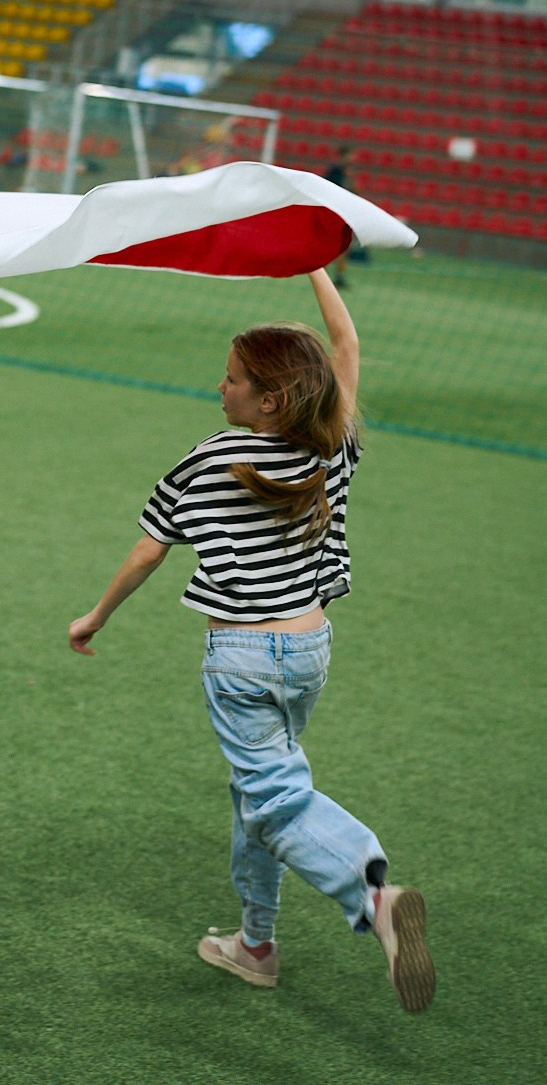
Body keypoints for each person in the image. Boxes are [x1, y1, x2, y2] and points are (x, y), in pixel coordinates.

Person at [65, 269, 434, 1014]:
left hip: (239, 660)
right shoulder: (332, 450)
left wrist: (94, 616)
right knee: (254, 796)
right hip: (310, 651)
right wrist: (313, 263)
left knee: (274, 799)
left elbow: (147, 551)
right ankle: (256, 944)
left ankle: (373, 894)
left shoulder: (211, 459)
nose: (221, 388)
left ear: (269, 398)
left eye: (233, 379)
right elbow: (347, 341)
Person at [322, 146, 353, 286]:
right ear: (343, 155)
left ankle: (338, 276)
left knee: (343, 246)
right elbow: (328, 189)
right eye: (351, 155)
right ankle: (324, 276)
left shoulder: (344, 172)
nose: (353, 158)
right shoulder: (335, 171)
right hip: (334, 214)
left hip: (342, 213)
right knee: (331, 245)